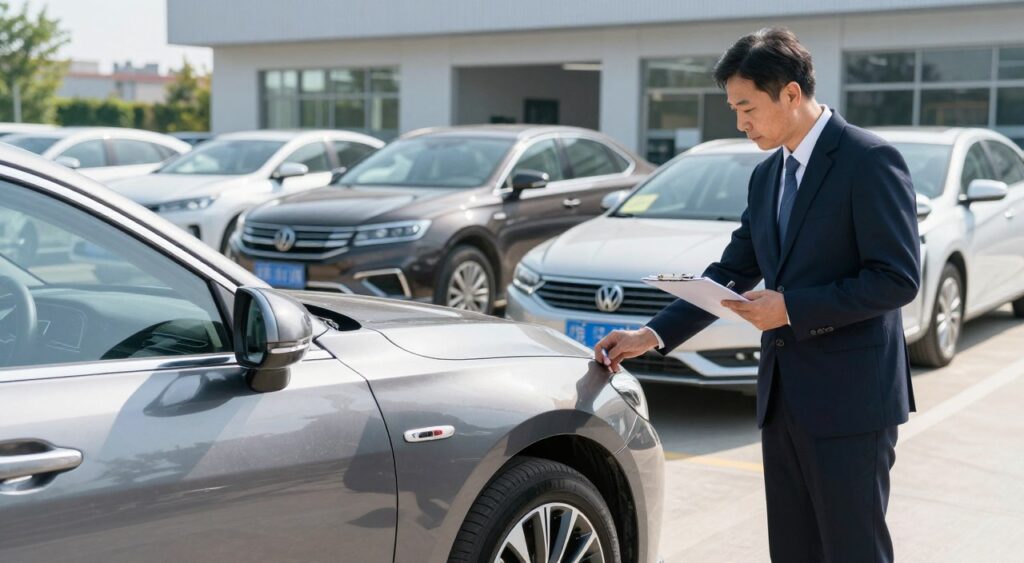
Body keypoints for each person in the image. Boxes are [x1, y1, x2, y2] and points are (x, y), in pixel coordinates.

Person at [594, 27, 920, 562]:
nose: (740, 123)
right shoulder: (767, 175)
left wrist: (790, 307)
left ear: (791, 93)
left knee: (852, 550)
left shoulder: (869, 160)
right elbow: (731, 270)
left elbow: (897, 278)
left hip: (851, 402)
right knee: (792, 550)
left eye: (747, 107)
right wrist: (649, 335)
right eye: (733, 109)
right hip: (782, 398)